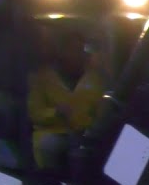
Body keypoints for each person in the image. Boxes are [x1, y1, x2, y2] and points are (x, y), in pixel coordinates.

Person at [27, 28, 106, 171]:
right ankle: (49, 180)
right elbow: (35, 113)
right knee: (49, 145)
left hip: (86, 134)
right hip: (55, 132)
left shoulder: (95, 77)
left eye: (79, 48)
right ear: (61, 51)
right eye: (71, 49)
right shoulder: (43, 78)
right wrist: (55, 113)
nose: (77, 53)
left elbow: (102, 109)